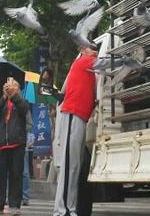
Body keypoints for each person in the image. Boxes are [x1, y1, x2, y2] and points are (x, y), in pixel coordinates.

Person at [53, 45, 98, 216]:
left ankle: (67, 209)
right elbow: (104, 64)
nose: (95, 51)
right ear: (82, 49)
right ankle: (63, 210)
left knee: (74, 166)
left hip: (78, 116)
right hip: (73, 114)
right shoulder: (84, 61)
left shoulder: (87, 67)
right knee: (70, 165)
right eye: (91, 48)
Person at [0, 79, 28, 216]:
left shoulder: (21, 101)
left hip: (17, 143)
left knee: (16, 174)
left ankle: (15, 205)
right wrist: (4, 97)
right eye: (8, 86)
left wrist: (14, 96)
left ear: (18, 89)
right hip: (2, 143)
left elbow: (24, 110)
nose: (10, 87)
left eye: (14, 85)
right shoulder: (1, 102)